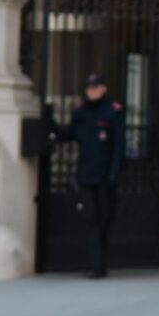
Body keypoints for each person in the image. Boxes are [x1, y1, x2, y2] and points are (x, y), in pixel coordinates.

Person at [51, 73, 125, 278]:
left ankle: (101, 261)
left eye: (95, 87)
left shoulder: (113, 112)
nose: (91, 91)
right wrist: (50, 125)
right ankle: (97, 266)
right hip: (86, 175)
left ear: (103, 89)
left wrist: (114, 173)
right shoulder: (81, 113)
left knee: (104, 220)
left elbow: (119, 146)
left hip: (105, 176)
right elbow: (68, 134)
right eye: (89, 88)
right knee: (91, 220)